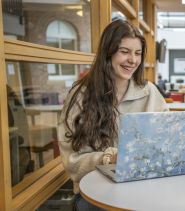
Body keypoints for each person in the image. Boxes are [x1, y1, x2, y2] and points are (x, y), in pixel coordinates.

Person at [58, 20, 168, 211]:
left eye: (138, 53)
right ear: (107, 53)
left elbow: (167, 140)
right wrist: (108, 159)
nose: (132, 60)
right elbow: (72, 162)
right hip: (95, 193)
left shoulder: (150, 92)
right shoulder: (81, 94)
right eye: (124, 52)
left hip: (142, 188)